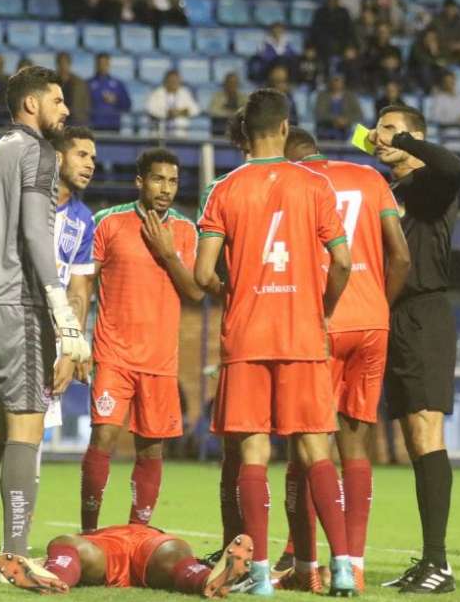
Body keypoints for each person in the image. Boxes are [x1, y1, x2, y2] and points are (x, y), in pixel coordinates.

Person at [194, 88, 356, 596]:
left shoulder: (223, 189)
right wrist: (322, 307)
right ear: (285, 127)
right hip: (301, 332)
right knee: (316, 449)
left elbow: (201, 272)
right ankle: (343, 568)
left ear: (246, 132)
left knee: (254, 453)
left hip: (247, 334)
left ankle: (260, 575)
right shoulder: (314, 185)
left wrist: (233, 290)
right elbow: (344, 262)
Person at [0, 65, 89, 582]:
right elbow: (36, 234)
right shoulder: (38, 152)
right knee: (27, 427)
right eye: (57, 100)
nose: (65, 109)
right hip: (17, 305)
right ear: (31, 104)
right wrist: (62, 313)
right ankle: (16, 553)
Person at [273, 127, 411, 593]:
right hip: (372, 324)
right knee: (356, 447)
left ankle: (306, 564)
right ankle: (355, 564)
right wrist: (378, 307)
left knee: (307, 449)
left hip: (322, 322)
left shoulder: (293, 182)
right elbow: (401, 257)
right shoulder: (370, 177)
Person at [80, 148, 202, 533]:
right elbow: (83, 282)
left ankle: (138, 533)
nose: (166, 188)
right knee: (103, 436)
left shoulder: (185, 230)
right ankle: (89, 532)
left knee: (152, 448)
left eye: (173, 181)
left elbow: (195, 292)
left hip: (160, 361)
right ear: (140, 181)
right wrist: (77, 340)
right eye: (158, 179)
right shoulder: (108, 222)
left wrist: (168, 254)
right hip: (113, 354)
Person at [371, 105, 460, 594]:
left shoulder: (430, 185)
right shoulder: (389, 192)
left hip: (425, 314)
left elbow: (454, 166)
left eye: (391, 128)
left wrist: (403, 142)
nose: (380, 136)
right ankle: (429, 560)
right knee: (414, 438)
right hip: (395, 317)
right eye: (379, 128)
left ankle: (439, 564)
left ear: (416, 136)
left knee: (427, 431)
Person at [0, 525, 254, 599]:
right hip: (156, 544)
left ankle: (55, 576)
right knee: (177, 564)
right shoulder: (159, 536)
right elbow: (2, 568)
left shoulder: (83, 541)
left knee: (66, 544)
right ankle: (206, 578)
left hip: (101, 550)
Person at [145, 69, 201, 135]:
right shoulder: (157, 93)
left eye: (176, 81)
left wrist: (182, 111)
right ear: (166, 81)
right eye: (171, 81)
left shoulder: (184, 93)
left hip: (180, 134)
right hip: (160, 133)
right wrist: (168, 113)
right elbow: (150, 108)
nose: (174, 83)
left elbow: (196, 110)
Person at [308, 0, 356, 64]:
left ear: (337, 1)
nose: (331, 2)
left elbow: (349, 30)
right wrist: (311, 47)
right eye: (330, 0)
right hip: (322, 46)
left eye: (334, 0)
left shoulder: (344, 12)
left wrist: (350, 47)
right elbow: (314, 30)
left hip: (341, 45)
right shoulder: (320, 12)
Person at [88, 53, 132, 133]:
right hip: (93, 126)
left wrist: (116, 100)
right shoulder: (87, 84)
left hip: (113, 126)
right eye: (100, 63)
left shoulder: (118, 84)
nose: (102, 66)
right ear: (96, 64)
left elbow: (127, 106)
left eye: (105, 63)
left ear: (109, 64)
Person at [315, 74, 363, 141]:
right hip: (326, 129)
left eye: (339, 81)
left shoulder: (350, 96)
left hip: (346, 129)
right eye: (335, 80)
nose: (336, 83)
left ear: (343, 82)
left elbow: (359, 114)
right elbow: (320, 113)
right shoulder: (322, 96)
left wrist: (346, 120)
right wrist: (335, 120)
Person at [427, 70, 460, 135]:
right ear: (443, 83)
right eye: (447, 82)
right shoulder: (439, 99)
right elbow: (434, 118)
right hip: (447, 134)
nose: (450, 84)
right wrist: (455, 120)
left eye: (452, 81)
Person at [430, 0, 460, 66]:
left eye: (453, 8)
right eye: (449, 8)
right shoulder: (437, 21)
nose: (451, 10)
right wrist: (448, 45)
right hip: (442, 49)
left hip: (458, 50)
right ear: (445, 8)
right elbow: (433, 37)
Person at [57, 52, 92, 127]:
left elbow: (86, 101)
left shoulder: (79, 83)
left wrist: (83, 117)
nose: (63, 66)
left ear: (69, 64)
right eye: (61, 63)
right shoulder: (52, 82)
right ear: (57, 64)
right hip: (57, 119)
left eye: (65, 63)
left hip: (76, 120)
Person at [407, 28, 446, 93]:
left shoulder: (439, 47)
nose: (431, 41)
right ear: (424, 38)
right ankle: (430, 89)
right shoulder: (416, 47)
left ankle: (443, 89)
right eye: (429, 38)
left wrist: (436, 54)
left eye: (433, 38)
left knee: (444, 70)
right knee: (425, 68)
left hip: (433, 70)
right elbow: (422, 60)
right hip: (416, 71)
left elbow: (443, 62)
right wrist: (434, 55)